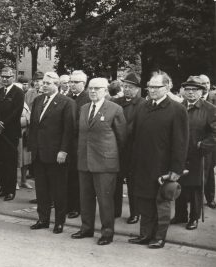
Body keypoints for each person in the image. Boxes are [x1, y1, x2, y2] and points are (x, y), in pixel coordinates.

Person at [129, 73, 188, 248]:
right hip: (142, 165)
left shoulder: (177, 110)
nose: (153, 90)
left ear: (167, 88)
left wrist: (175, 170)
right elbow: (134, 137)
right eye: (150, 87)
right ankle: (145, 234)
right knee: (144, 201)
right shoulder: (143, 107)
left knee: (161, 203)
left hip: (163, 167)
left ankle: (159, 237)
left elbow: (181, 142)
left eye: (157, 87)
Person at [71, 78, 126, 245]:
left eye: (97, 88)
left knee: (105, 200)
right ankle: (86, 228)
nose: (93, 91)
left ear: (105, 91)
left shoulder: (115, 109)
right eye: (90, 88)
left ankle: (107, 232)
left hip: (104, 163)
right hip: (85, 160)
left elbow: (122, 137)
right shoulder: (84, 108)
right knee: (85, 198)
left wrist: (113, 157)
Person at [28, 72, 73, 234]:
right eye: (43, 83)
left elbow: (69, 130)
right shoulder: (38, 100)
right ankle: (43, 219)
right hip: (39, 153)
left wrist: (63, 150)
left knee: (58, 190)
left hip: (56, 154)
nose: (44, 85)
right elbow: (34, 126)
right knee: (41, 189)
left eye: (48, 83)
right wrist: (32, 147)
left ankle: (59, 222)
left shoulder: (66, 102)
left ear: (57, 84)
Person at [172, 76, 216, 230]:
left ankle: (194, 217)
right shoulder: (178, 106)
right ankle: (180, 214)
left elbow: (214, 133)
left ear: (201, 91)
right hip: (180, 152)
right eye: (187, 89)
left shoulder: (210, 109)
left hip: (199, 154)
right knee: (179, 182)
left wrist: (203, 145)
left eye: (194, 90)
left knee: (196, 186)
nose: (190, 92)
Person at [113, 73, 145, 224]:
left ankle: (135, 213)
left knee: (133, 183)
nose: (127, 90)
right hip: (116, 148)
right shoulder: (115, 102)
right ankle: (115, 210)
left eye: (130, 87)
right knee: (116, 181)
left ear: (138, 89)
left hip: (134, 149)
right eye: (125, 86)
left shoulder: (143, 104)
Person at [0, 67, 24, 201]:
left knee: (10, 162)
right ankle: (3, 187)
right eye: (3, 76)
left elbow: (16, 111)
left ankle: (10, 190)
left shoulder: (18, 92)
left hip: (11, 132)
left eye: (7, 77)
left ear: (13, 77)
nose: (5, 79)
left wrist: (3, 123)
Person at [66, 70, 90, 218]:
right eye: (71, 82)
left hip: (79, 143)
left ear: (83, 84)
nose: (72, 85)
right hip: (66, 142)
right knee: (67, 176)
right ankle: (69, 204)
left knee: (77, 177)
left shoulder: (87, 99)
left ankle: (77, 206)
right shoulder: (66, 97)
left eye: (76, 82)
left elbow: (82, 121)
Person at [199, 74, 216, 209]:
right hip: (199, 141)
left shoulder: (213, 99)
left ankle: (210, 198)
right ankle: (194, 197)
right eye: (203, 83)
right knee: (202, 171)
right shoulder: (192, 98)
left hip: (212, 141)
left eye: (208, 83)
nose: (206, 85)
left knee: (209, 171)